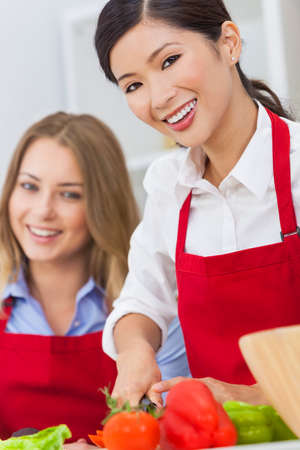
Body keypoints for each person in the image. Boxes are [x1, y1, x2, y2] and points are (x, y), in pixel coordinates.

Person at [94, 0, 300, 408]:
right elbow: (142, 300)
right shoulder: (169, 188)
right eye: (133, 85)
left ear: (229, 43)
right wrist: (136, 351)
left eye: (169, 60)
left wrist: (249, 398)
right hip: (216, 436)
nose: (158, 98)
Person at [0, 112, 190, 448]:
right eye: (29, 186)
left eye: (69, 194)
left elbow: (179, 432)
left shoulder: (152, 314)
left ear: (102, 206)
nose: (43, 210)